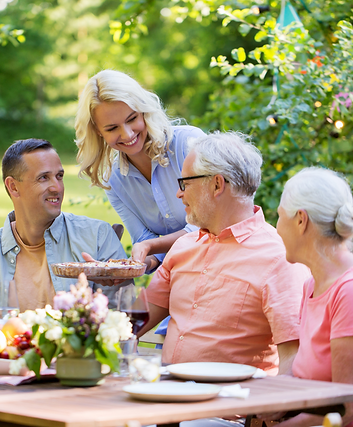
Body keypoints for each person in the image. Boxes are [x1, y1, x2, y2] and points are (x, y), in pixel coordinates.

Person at [139, 131, 311, 375]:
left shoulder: (279, 258)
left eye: (185, 183)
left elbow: (293, 356)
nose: (180, 193)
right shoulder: (183, 246)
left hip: (232, 407)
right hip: (167, 396)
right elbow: (135, 321)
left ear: (216, 184)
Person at [0, 138, 131, 330]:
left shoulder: (98, 237)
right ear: (13, 187)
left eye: (59, 176)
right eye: (43, 178)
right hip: (8, 359)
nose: (57, 187)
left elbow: (121, 321)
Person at [75, 69, 206, 272]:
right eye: (111, 128)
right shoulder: (113, 179)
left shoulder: (188, 144)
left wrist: (150, 246)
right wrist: (128, 267)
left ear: (144, 110)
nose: (127, 134)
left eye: (132, 118)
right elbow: (145, 241)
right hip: (180, 275)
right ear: (97, 132)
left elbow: (208, 224)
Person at [265, 167, 353, 426]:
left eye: (280, 217)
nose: (277, 227)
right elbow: (307, 374)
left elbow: (346, 409)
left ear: (301, 220)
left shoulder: (347, 292)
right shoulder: (312, 284)